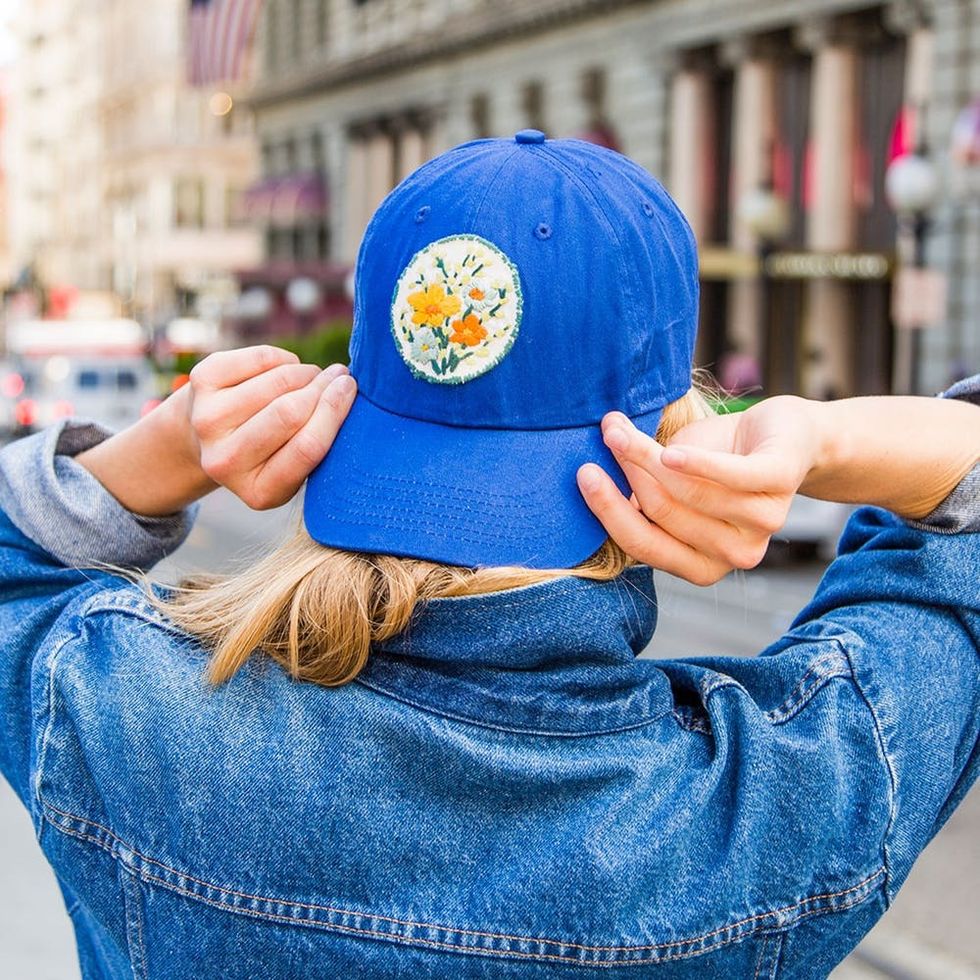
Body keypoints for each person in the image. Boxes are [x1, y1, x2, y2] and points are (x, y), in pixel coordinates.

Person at [0, 132, 977, 979]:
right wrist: (820, 438)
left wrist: (166, 446)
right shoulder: (762, 804)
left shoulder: (123, 712)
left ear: (353, 400)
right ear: (671, 426)